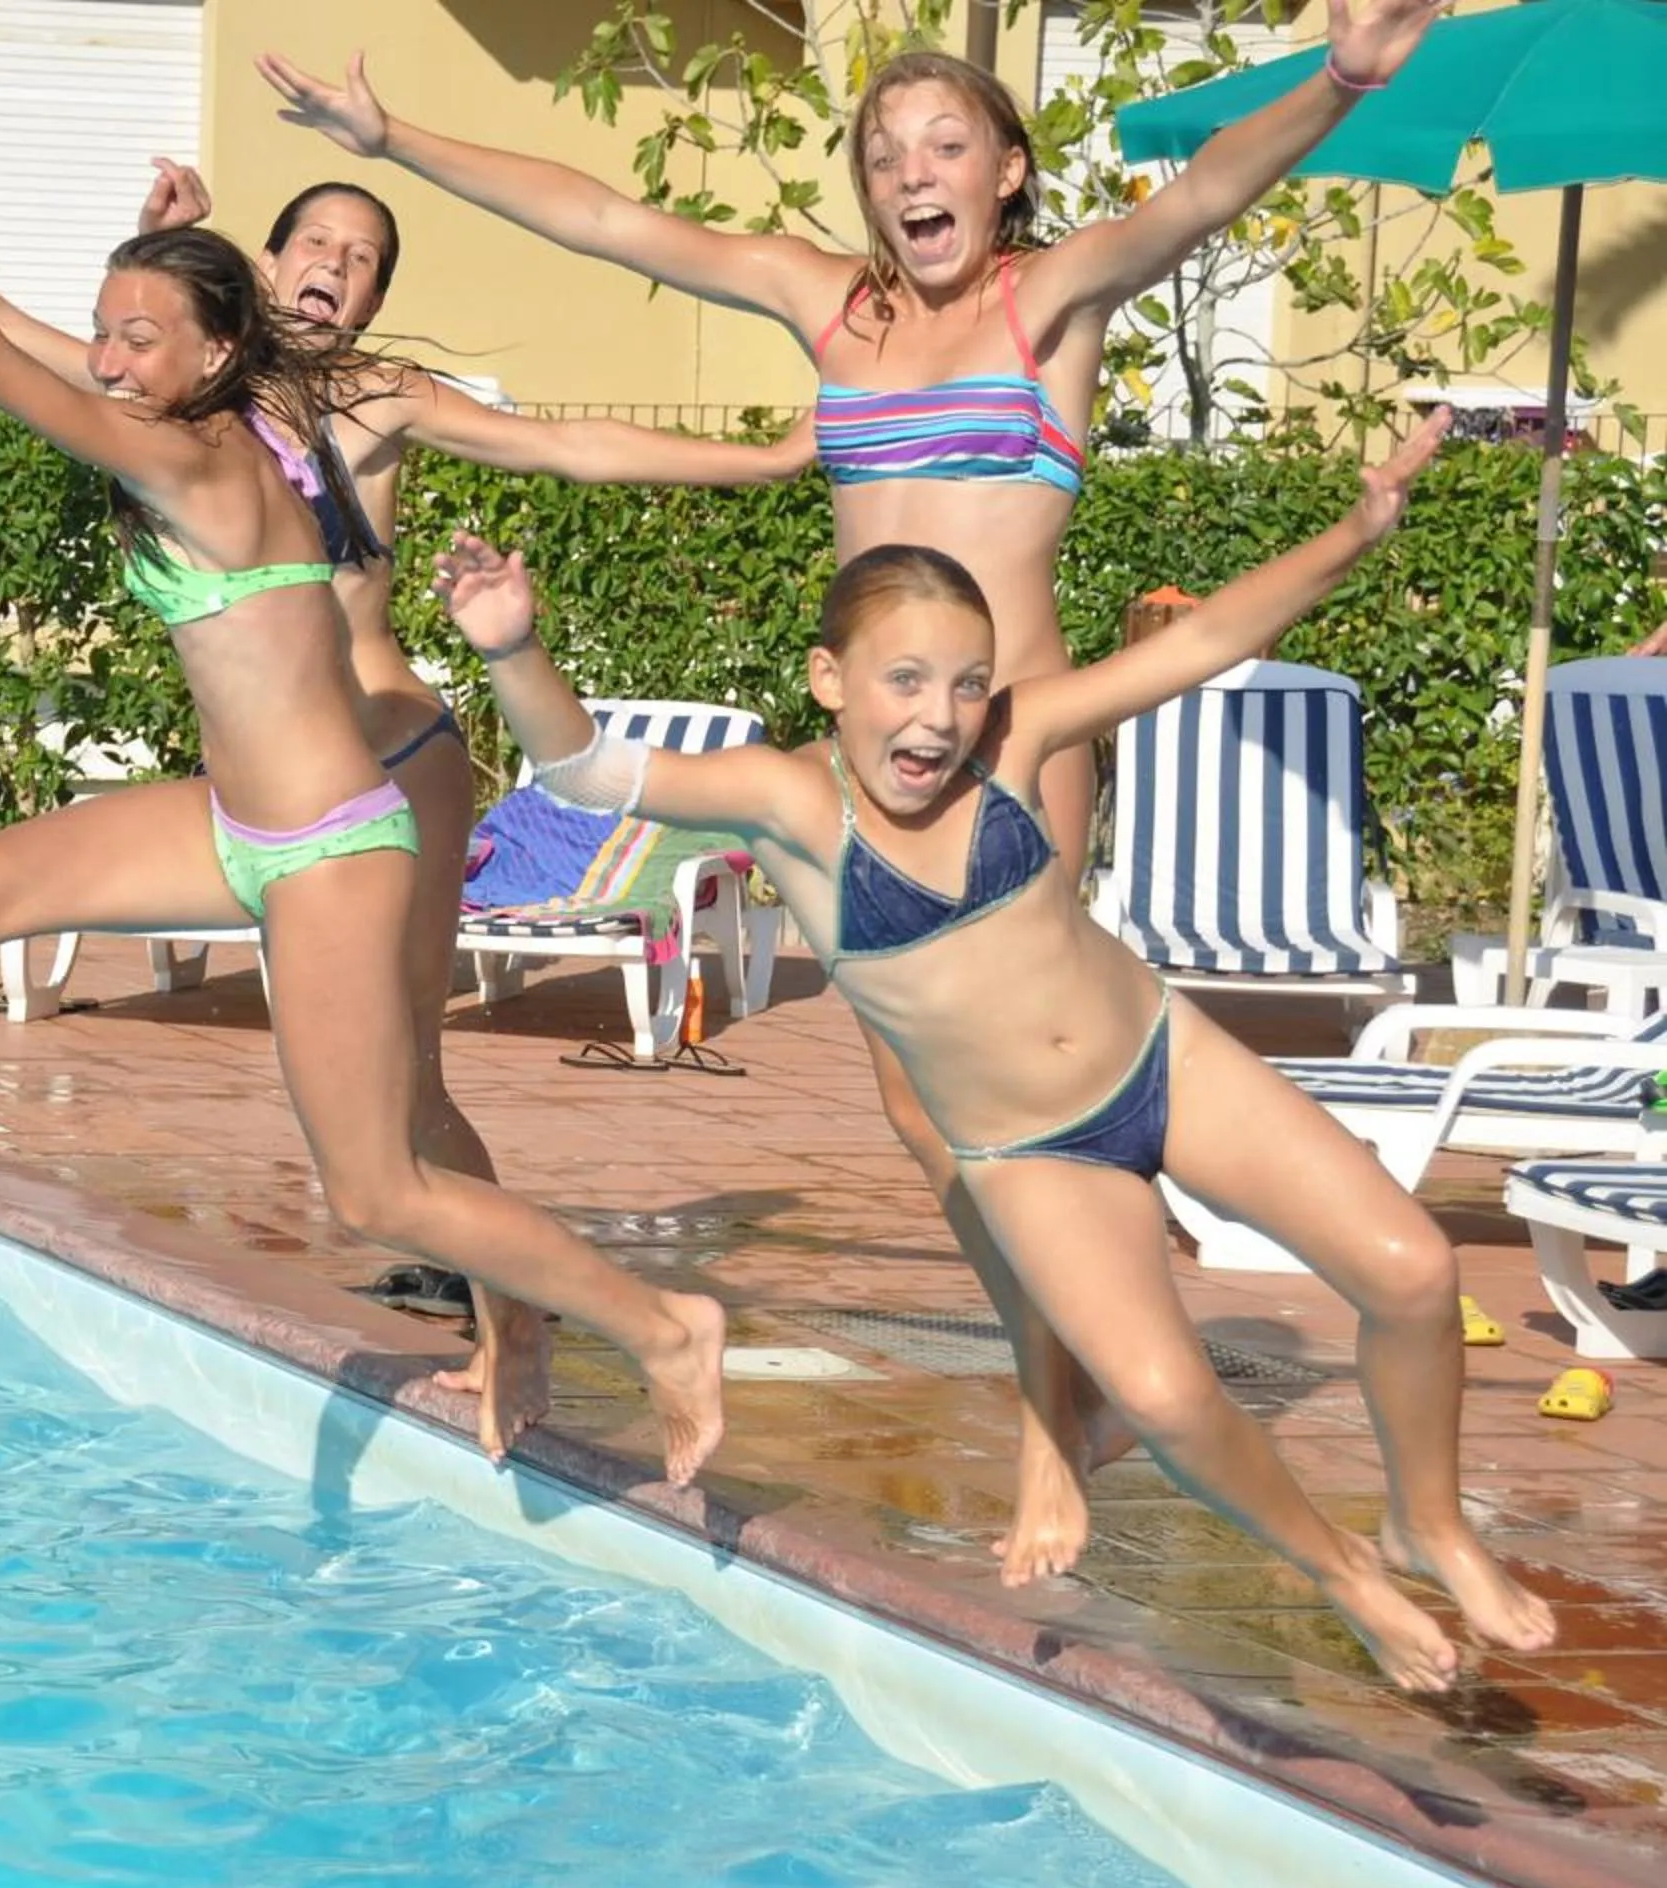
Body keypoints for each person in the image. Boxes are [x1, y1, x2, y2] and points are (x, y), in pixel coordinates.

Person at [261, 1, 1453, 1579]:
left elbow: (1201, 197)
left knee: (1017, 1092)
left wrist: (1341, 80)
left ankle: (1062, 1421)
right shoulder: (828, 304)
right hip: (866, 765)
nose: (913, 173)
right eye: (884, 155)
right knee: (920, 1110)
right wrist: (394, 139)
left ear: (1009, 173)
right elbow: (614, 216)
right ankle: (1078, 1386)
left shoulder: (1056, 295)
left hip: (1014, 742)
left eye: (947, 144)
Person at [0, 47, 728, 1486]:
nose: (106, 359)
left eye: (139, 337)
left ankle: (658, 1321)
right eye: (105, 333)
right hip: (236, 820)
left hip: (334, 848)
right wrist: (136, 258)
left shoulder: (205, 461)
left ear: (215, 356)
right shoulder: (218, 419)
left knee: (379, 1182)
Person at [431, 409, 1559, 1689]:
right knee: (1171, 1399)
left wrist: (1355, 533)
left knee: (1413, 1268)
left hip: (1164, 1062)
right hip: (1033, 1153)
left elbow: (1204, 641)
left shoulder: (1015, 741)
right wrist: (516, 648)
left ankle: (1432, 1519)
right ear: (828, 680)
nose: (941, 717)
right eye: (905, 682)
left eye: (967, 683)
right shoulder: (790, 800)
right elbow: (584, 773)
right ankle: (1346, 1572)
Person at [0, 157, 813, 1422]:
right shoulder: (195, 406)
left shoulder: (378, 397)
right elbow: (24, 340)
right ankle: (515, 1306)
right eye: (318, 245)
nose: (336, 270)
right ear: (266, 267)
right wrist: (139, 250)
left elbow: (567, 446)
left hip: (395, 753)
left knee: (410, 1082)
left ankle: (517, 1316)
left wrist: (766, 462)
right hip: (281, 788)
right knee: (388, 1108)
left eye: (364, 261)